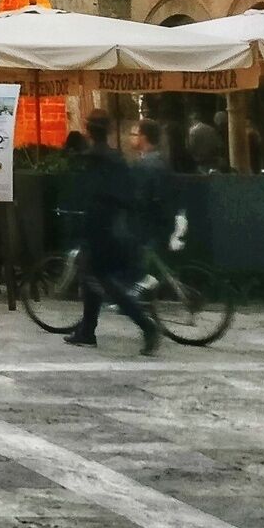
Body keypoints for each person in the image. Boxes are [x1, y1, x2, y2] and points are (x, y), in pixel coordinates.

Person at [64, 112, 161, 353]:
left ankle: (146, 326)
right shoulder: (115, 157)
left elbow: (88, 191)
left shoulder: (95, 158)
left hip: (102, 228)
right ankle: (87, 330)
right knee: (90, 277)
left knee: (106, 283)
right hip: (113, 225)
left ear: (88, 129)